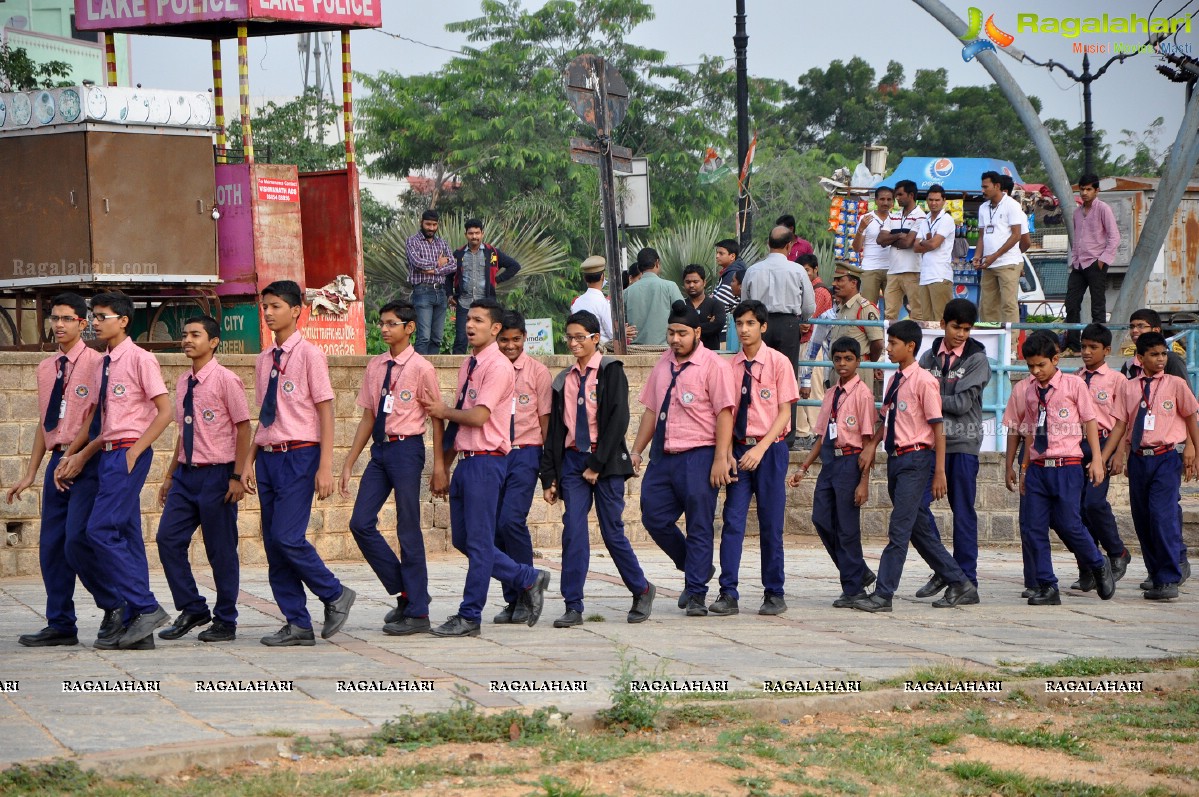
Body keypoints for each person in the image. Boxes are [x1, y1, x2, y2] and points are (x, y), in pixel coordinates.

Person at [422, 298, 550, 637]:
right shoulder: (470, 364)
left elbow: (478, 417)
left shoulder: (498, 367)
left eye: (478, 320)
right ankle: (528, 577)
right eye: (468, 318)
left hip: (487, 460)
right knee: (465, 541)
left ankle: (469, 616)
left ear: (495, 328)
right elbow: (460, 421)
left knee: (479, 543)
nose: (470, 324)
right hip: (466, 462)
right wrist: (442, 465)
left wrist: (442, 410)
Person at [54, 292, 173, 649]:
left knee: (101, 529)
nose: (95, 321)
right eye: (94, 316)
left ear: (123, 320)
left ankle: (145, 607)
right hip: (106, 453)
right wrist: (74, 454)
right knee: (113, 533)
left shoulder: (140, 358)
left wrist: (136, 451)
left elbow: (164, 411)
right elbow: (96, 416)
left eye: (103, 316)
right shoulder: (105, 361)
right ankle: (138, 625)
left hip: (126, 453)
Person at [241, 280, 356, 646]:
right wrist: (248, 462)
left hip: (301, 455)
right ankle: (297, 623)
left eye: (276, 306)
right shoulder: (263, 360)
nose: (269, 313)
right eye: (265, 307)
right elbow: (266, 414)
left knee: (287, 537)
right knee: (274, 545)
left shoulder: (310, 355)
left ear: (296, 311)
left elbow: (326, 409)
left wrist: (326, 465)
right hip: (270, 458)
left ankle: (334, 593)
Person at [7, 294, 121, 647]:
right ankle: (60, 623)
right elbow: (46, 423)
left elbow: (98, 419)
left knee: (77, 540)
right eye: (54, 318)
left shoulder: (99, 364)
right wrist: (30, 472)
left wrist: (76, 456)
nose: (58, 325)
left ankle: (115, 605)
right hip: (57, 461)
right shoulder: (46, 368)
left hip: (86, 461)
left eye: (67, 319)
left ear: (83, 324)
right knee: (51, 547)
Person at [852, 320, 978, 613]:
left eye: (894, 343)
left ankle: (883, 594)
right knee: (918, 528)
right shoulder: (895, 379)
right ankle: (960, 582)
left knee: (899, 530)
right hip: (897, 459)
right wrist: (872, 445)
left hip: (917, 459)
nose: (889, 348)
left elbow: (938, 428)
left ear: (910, 346)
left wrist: (939, 471)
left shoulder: (924, 381)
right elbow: (886, 418)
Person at [540, 310, 655, 627]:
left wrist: (597, 464)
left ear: (594, 338)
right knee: (573, 531)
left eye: (580, 337)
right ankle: (573, 604)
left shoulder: (610, 370)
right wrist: (549, 475)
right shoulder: (564, 380)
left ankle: (641, 589)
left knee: (611, 531)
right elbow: (555, 432)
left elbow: (618, 421)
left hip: (604, 460)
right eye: (570, 337)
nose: (574, 343)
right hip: (574, 460)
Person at [341, 300, 446, 636]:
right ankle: (405, 591)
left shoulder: (421, 368)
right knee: (360, 522)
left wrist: (440, 464)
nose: (384, 329)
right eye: (381, 323)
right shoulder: (376, 366)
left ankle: (419, 612)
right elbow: (369, 416)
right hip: (380, 451)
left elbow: (438, 417)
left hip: (407, 449)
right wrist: (348, 463)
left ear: (409, 327)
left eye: (391, 323)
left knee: (408, 528)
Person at [630, 300, 737, 616]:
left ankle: (696, 595)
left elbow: (725, 414)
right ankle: (695, 567)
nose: (675, 339)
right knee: (653, 516)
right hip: (664, 456)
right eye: (671, 333)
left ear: (698, 333)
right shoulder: (662, 364)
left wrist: (720, 457)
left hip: (700, 456)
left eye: (682, 333)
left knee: (700, 525)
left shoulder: (713, 366)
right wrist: (636, 451)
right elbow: (651, 410)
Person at [155, 315, 252, 643]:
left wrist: (237, 476)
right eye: (184, 334)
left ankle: (226, 619)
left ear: (213, 342)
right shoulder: (183, 381)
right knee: (167, 539)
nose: (187, 340)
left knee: (221, 550)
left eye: (195, 335)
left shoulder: (227, 380)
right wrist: (169, 475)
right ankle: (193, 607)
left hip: (218, 475)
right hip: (185, 476)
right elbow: (184, 431)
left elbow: (243, 428)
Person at [1005, 331, 1114, 606]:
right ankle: (1047, 585)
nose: (1036, 371)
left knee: (1069, 523)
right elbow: (1030, 430)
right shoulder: (1029, 391)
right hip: (1039, 467)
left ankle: (1097, 563)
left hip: (1067, 464)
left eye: (1041, 365)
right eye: (1030, 366)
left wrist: (1098, 459)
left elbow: (1090, 421)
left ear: (1056, 359)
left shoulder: (1074, 385)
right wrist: (1024, 466)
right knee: (1033, 527)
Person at [714, 300, 797, 615]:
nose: (744, 329)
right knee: (732, 521)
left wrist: (760, 448)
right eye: (740, 324)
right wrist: (727, 453)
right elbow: (724, 412)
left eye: (750, 323)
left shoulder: (778, 363)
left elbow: (785, 412)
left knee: (771, 523)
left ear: (763, 326)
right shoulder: (729, 367)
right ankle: (728, 593)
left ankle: (774, 592)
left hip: (770, 450)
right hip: (738, 451)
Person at [1102, 331, 1199, 600]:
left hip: (1166, 457)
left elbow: (1191, 418)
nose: (1160, 359)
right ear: (1140, 358)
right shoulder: (1129, 387)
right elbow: (1121, 424)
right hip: (1139, 459)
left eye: (1163, 354)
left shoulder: (1175, 384)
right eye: (1154, 355)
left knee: (1162, 515)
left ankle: (1170, 577)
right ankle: (1156, 574)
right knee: (1143, 518)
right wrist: (1107, 456)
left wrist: (1195, 451)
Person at [912, 299, 992, 597]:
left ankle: (966, 578)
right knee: (915, 507)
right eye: (956, 327)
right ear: (943, 323)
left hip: (962, 442)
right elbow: (912, 392)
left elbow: (961, 404)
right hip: (929, 444)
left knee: (962, 512)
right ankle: (946, 568)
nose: (961, 334)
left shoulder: (977, 359)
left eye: (967, 329)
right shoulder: (928, 356)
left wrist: (928, 399)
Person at [791, 336, 876, 607]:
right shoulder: (831, 393)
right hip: (831, 462)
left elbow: (867, 443)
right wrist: (804, 468)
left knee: (847, 528)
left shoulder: (862, 394)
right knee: (821, 519)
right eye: (838, 358)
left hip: (852, 462)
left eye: (848, 359)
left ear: (858, 361)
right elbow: (821, 435)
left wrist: (864, 481)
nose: (842, 364)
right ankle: (858, 571)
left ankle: (853, 589)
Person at [493, 310, 552, 624]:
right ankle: (514, 597)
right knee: (494, 529)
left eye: (516, 340)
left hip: (526, 452)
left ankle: (529, 587)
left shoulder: (537, 372)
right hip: (493, 453)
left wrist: (547, 472)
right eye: (504, 339)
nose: (510, 345)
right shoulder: (489, 368)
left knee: (511, 521)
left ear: (524, 339)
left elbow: (545, 421)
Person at [1071, 323, 1132, 591]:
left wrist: (1117, 453)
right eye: (1083, 346)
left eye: (1093, 348)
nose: (1086, 352)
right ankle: (1088, 565)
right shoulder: (1075, 377)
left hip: (1106, 443)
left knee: (1094, 503)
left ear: (1106, 350)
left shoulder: (1117, 380)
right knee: (1075, 509)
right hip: (1077, 443)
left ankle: (1117, 552)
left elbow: (1124, 420)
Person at [742, 225, 815, 449]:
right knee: (787, 379)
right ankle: (787, 436)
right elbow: (809, 306)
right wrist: (801, 319)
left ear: (768, 244)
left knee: (755, 374)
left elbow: (744, 302)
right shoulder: (797, 270)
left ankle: (755, 428)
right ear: (789, 245)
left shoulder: (753, 270)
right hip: (788, 325)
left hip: (758, 323)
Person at [1063, 175, 1120, 353]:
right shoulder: (1077, 213)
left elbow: (1114, 237)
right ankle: (1074, 346)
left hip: (1096, 262)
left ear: (1097, 191)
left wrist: (1102, 260)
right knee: (1071, 304)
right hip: (1079, 264)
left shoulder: (1103, 209)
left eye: (1088, 189)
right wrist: (1074, 260)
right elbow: (1078, 239)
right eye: (1082, 189)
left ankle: (1098, 346)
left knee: (1098, 306)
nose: (1085, 193)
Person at [450, 218, 522, 355]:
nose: (474, 236)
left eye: (477, 233)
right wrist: (450, 294)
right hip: (464, 303)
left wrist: (498, 279)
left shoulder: (492, 253)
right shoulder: (458, 254)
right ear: (466, 234)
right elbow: (448, 275)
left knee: (490, 338)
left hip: (487, 304)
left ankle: (491, 365)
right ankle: (458, 372)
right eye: (471, 233)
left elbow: (515, 266)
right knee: (460, 340)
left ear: (482, 233)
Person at [974, 171, 1024, 324]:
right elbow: (982, 236)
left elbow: (1017, 235)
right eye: (982, 187)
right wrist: (977, 256)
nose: (983, 190)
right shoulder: (983, 208)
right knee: (987, 306)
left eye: (985, 187)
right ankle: (990, 342)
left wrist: (994, 255)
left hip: (1008, 263)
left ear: (997, 186)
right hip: (988, 264)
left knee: (1008, 305)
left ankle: (1011, 343)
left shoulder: (1012, 205)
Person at [828, 262, 884, 398]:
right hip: (838, 369)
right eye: (835, 280)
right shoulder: (841, 308)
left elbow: (877, 343)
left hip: (858, 369)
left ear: (853, 283)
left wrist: (869, 363)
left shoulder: (864, 308)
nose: (835, 284)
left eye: (840, 280)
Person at [795, 254, 833, 445]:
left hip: (813, 344)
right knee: (801, 389)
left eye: (807, 270)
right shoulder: (809, 289)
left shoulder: (819, 292)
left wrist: (798, 321)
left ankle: (817, 433)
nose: (804, 274)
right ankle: (803, 433)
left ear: (816, 269)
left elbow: (807, 322)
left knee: (814, 390)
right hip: (806, 343)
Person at [406, 209, 456, 355]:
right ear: (421, 223)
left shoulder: (442, 243)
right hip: (423, 291)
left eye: (434, 225)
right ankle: (418, 370)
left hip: (440, 292)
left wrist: (432, 270)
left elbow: (452, 265)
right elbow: (417, 263)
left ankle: (431, 371)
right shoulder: (412, 241)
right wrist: (438, 263)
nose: (431, 228)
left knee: (437, 338)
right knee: (424, 337)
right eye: (428, 224)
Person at [878, 179, 926, 321]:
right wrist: (899, 235)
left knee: (917, 312)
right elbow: (880, 240)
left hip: (913, 270)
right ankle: (890, 342)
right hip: (893, 271)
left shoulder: (921, 216)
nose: (896, 198)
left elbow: (907, 243)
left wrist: (891, 238)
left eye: (900, 195)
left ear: (911, 195)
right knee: (889, 313)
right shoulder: (893, 215)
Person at [912, 184, 956, 323]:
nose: (933, 203)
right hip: (925, 275)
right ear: (926, 200)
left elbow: (933, 244)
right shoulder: (925, 219)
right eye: (931, 200)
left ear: (944, 201)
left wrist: (925, 242)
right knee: (927, 321)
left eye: (937, 200)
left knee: (942, 319)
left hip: (940, 275)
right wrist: (929, 242)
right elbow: (915, 247)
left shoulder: (946, 219)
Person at [624, 247, 684, 346]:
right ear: (657, 263)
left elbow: (621, 324)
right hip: (664, 350)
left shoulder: (626, 292)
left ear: (638, 267)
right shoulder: (670, 286)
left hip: (636, 352)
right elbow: (682, 312)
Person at [1120, 309, 1189, 381]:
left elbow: (1183, 390)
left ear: (1156, 330)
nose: (1134, 330)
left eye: (1141, 326)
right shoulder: (1129, 366)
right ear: (1140, 358)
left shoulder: (1172, 361)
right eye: (1132, 327)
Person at [853, 185, 894, 305]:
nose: (885, 202)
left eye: (889, 199)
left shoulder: (895, 219)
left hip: (891, 269)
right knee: (868, 308)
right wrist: (861, 229)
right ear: (876, 200)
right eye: (882, 199)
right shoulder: (866, 219)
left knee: (892, 309)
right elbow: (856, 248)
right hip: (870, 269)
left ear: (893, 201)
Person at [570, 256, 616, 347]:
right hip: (600, 352)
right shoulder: (604, 304)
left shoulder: (576, 303)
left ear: (585, 278)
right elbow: (612, 334)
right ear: (602, 276)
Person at [682, 264, 727, 351]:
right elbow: (676, 328)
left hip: (710, 355)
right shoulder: (682, 305)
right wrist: (706, 325)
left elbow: (717, 326)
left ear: (704, 282)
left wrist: (687, 329)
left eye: (695, 282)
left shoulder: (716, 305)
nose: (691, 285)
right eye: (688, 282)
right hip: (686, 356)